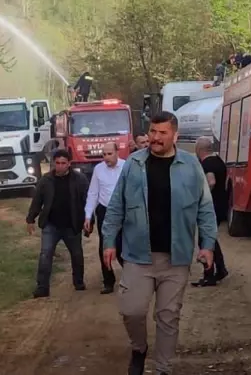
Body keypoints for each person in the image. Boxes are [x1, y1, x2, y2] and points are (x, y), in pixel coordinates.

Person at [102, 111, 218, 375]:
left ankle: (163, 368)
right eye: (152, 132)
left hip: (175, 257)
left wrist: (207, 245)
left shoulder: (190, 165)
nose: (155, 138)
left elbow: (205, 208)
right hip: (137, 255)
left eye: (162, 133)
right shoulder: (134, 163)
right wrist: (108, 241)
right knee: (132, 310)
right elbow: (116, 205)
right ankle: (139, 348)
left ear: (175, 135)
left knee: (168, 316)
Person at [26, 149, 89, 298]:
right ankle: (42, 288)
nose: (60, 166)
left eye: (63, 163)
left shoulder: (79, 180)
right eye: (57, 163)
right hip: (51, 224)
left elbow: (87, 201)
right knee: (45, 254)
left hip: (71, 224)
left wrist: (88, 220)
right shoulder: (46, 180)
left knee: (77, 254)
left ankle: (79, 282)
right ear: (53, 163)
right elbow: (37, 201)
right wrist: (30, 219)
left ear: (69, 164)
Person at [84, 142, 127, 294]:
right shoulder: (98, 169)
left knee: (123, 245)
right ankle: (108, 281)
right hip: (104, 211)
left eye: (109, 154)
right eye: (104, 154)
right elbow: (93, 193)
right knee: (104, 245)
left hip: (124, 211)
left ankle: (131, 277)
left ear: (117, 152)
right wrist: (88, 215)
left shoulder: (126, 167)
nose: (106, 157)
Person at [192, 136, 228, 287]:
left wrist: (203, 196)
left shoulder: (207, 164)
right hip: (221, 205)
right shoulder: (219, 161)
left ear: (199, 149)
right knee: (211, 238)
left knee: (205, 240)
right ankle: (220, 269)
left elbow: (211, 181)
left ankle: (209, 274)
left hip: (211, 207)